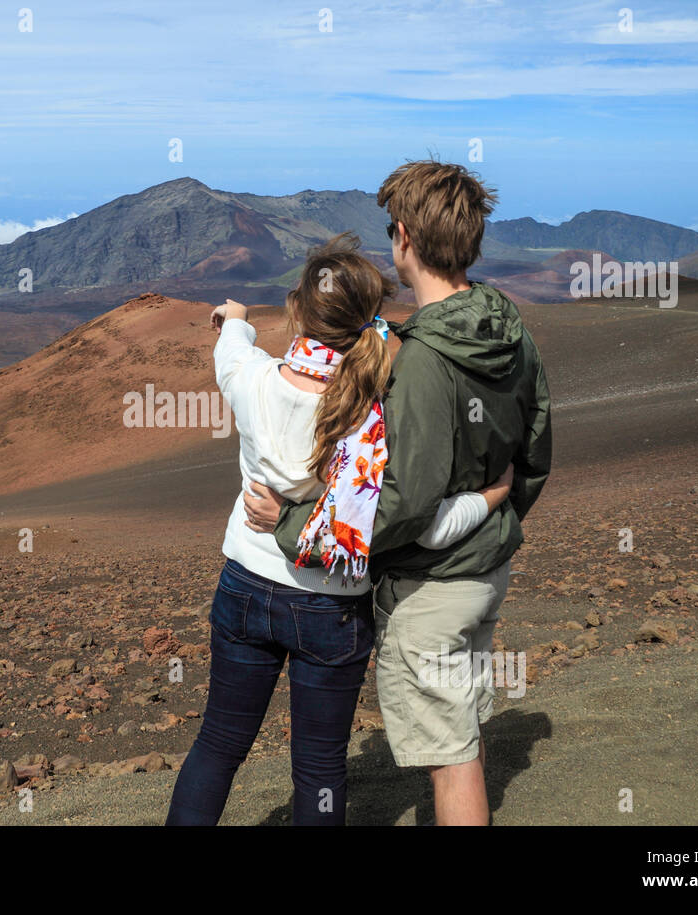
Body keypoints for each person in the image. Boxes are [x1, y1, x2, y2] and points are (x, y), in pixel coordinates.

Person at [166, 233, 514, 826]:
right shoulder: (377, 400)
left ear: (299, 310)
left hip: (247, 584)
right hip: (331, 603)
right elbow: (414, 508)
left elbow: (232, 345)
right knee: (320, 766)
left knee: (219, 746)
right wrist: (494, 493)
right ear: (369, 320)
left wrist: (238, 317)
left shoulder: (251, 380)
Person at [244, 161, 552, 826]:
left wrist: (294, 524)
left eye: (392, 229)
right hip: (485, 568)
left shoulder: (418, 360)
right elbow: (534, 449)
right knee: (460, 733)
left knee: (448, 755)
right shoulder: (509, 329)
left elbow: (402, 504)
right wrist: (492, 514)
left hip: (433, 587)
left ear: (405, 238)